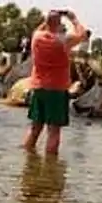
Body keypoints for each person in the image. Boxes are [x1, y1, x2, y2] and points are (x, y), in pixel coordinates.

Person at [23, 9, 88, 156]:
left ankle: (28, 162)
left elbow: (38, 29)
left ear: (46, 23)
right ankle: (51, 170)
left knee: (35, 128)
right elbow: (83, 35)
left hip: (38, 87)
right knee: (53, 131)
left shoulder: (37, 37)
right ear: (59, 25)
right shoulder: (64, 40)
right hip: (56, 89)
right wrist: (74, 18)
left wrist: (49, 19)